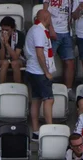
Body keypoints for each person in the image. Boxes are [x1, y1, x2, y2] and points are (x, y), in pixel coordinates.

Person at [25, 9, 54, 138]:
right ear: (46, 17)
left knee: (36, 100)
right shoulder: (38, 31)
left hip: (33, 70)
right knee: (49, 100)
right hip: (38, 71)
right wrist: (46, 72)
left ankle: (36, 132)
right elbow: (39, 53)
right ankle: (50, 130)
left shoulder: (36, 29)